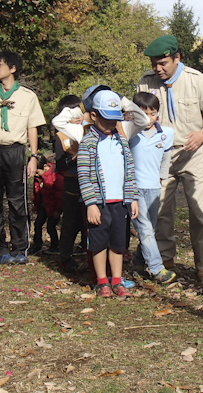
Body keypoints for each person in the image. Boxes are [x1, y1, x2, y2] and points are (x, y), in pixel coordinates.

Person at [138, 35, 203, 282]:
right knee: (160, 210)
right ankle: (164, 259)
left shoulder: (197, 80)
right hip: (159, 156)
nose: (157, 69)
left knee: (198, 210)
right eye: (154, 63)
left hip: (192, 154)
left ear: (177, 58)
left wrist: (202, 135)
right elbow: (135, 117)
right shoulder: (145, 83)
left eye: (163, 63)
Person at [51, 85, 148, 274]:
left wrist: (124, 101)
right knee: (93, 233)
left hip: (119, 197)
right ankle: (97, 274)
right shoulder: (84, 131)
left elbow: (143, 119)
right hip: (92, 193)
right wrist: (81, 108)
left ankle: (114, 275)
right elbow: (59, 121)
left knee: (117, 237)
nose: (110, 122)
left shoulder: (122, 129)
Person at [0, 50, 46, 264]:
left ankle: (20, 247)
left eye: (0, 64)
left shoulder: (27, 96)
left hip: (15, 152)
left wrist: (33, 156)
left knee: (18, 201)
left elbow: (32, 127)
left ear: (13, 68)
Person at [77, 90, 139, 298]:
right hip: (99, 204)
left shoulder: (121, 141)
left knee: (118, 243)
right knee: (99, 243)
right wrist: (91, 204)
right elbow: (84, 175)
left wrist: (133, 198)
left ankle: (117, 280)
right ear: (93, 116)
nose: (111, 124)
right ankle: (102, 281)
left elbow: (130, 171)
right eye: (106, 119)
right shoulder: (87, 143)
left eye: (115, 120)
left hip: (120, 202)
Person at [128, 92, 176, 283]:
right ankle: (157, 269)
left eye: (152, 113)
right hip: (133, 189)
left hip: (154, 189)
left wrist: (161, 178)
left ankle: (138, 263)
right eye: (142, 113)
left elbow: (166, 157)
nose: (148, 118)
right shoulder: (129, 132)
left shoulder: (166, 134)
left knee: (149, 230)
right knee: (145, 230)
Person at [49, 95, 85, 263]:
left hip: (90, 181)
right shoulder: (61, 135)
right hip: (71, 181)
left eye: (79, 113)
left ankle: (86, 250)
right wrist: (75, 158)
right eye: (71, 115)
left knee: (88, 218)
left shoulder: (88, 130)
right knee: (70, 220)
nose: (77, 118)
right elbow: (60, 163)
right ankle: (65, 256)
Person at [28, 155, 63, 255]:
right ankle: (37, 245)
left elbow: (59, 195)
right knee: (38, 224)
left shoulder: (55, 176)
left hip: (54, 207)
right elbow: (37, 192)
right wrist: (36, 204)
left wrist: (58, 209)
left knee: (51, 227)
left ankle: (55, 246)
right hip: (43, 206)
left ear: (44, 167)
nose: (36, 175)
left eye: (37, 172)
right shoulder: (38, 178)